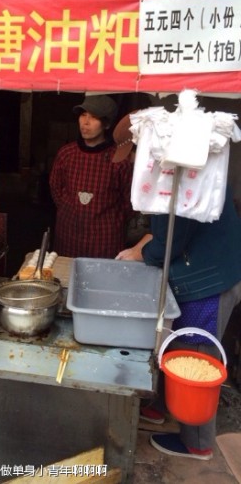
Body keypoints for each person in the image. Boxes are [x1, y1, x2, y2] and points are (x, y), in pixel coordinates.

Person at [114, 113, 241, 461]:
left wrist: (142, 254)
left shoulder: (176, 171)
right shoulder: (181, 159)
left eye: (134, 153)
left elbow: (172, 239)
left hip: (209, 280)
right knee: (174, 342)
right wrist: (145, 244)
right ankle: (161, 405)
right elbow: (167, 229)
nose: (135, 163)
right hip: (209, 265)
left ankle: (197, 442)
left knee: (197, 356)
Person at [48, 94, 134, 258]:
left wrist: (109, 220)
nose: (85, 122)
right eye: (83, 115)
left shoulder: (119, 158)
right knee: (66, 271)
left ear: (107, 124)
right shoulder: (66, 154)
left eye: (94, 117)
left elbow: (129, 202)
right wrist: (71, 210)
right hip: (68, 234)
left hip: (105, 239)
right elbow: (56, 188)